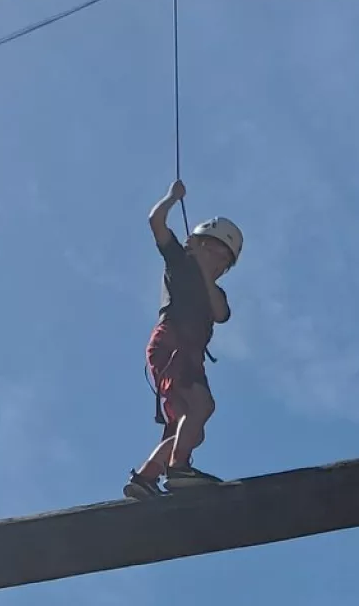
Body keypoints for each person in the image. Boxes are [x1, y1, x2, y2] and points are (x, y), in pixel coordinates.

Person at [125, 179, 243, 499]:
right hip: (174, 343)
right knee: (201, 406)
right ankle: (178, 469)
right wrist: (171, 198)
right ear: (197, 244)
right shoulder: (179, 263)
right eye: (214, 252)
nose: (217, 263)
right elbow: (156, 223)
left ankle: (147, 477)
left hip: (184, 351)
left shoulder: (213, 290)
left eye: (223, 262)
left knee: (189, 427)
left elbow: (220, 313)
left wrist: (205, 272)